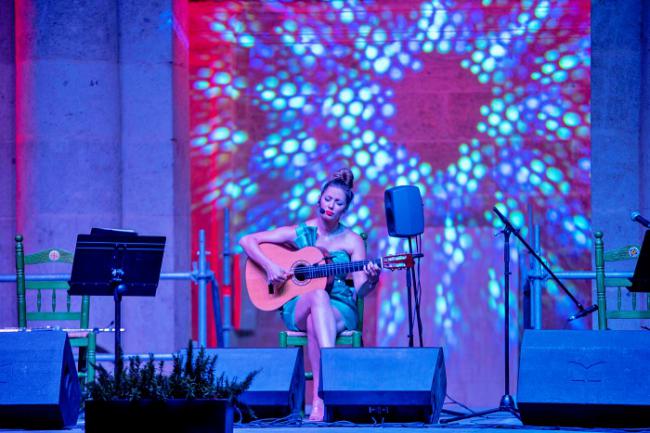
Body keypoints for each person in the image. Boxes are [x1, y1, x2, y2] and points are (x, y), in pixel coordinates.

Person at [239, 168, 381, 421]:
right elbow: (247, 241)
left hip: (339, 307)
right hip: (300, 305)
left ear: (344, 210)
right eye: (328, 199)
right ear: (319, 200)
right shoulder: (301, 232)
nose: (331, 205)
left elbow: (361, 289)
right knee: (316, 296)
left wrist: (371, 279)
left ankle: (319, 401)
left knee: (320, 311)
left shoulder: (352, 241)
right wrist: (271, 266)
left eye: (338, 203)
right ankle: (332, 375)